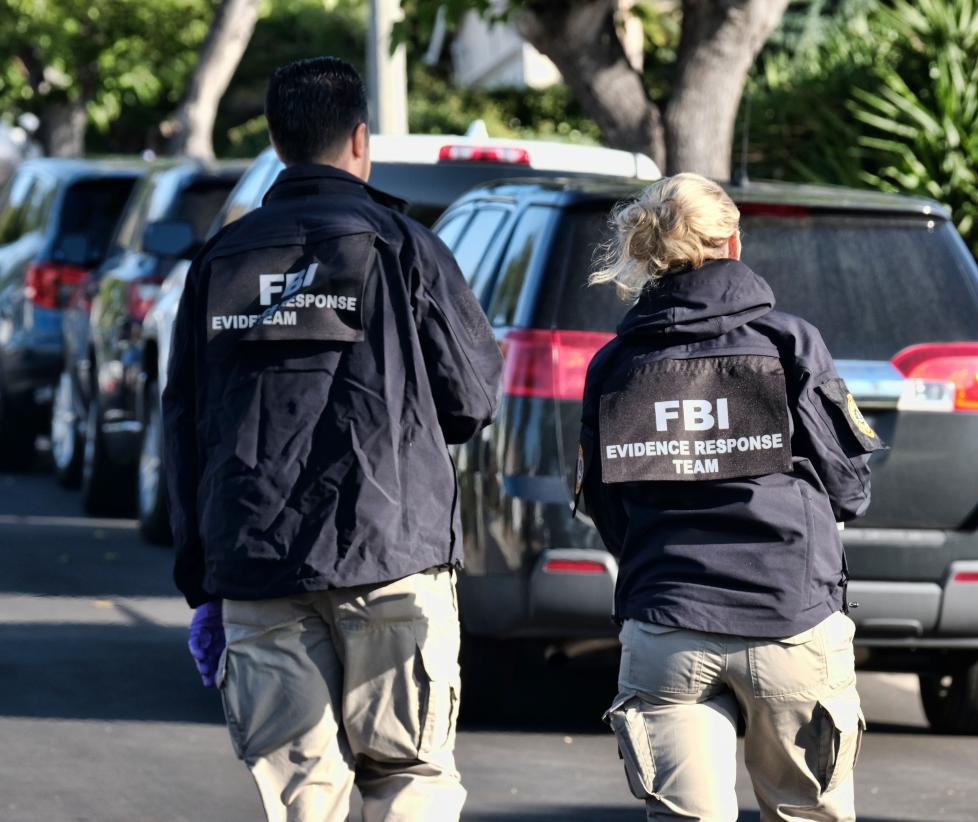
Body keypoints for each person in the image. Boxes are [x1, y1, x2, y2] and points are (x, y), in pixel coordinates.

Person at [164, 57, 503, 822]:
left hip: (256, 566)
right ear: (360, 140)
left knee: (301, 797)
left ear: (279, 146)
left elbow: (184, 426)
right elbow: (473, 400)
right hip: (393, 556)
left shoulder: (220, 261)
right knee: (409, 777)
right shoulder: (404, 247)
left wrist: (203, 583)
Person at [577, 173, 884, 822]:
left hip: (666, 627)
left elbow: (606, 511)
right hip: (791, 620)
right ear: (734, 243)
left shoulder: (614, 366)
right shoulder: (787, 344)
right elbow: (850, 490)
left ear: (649, 254)